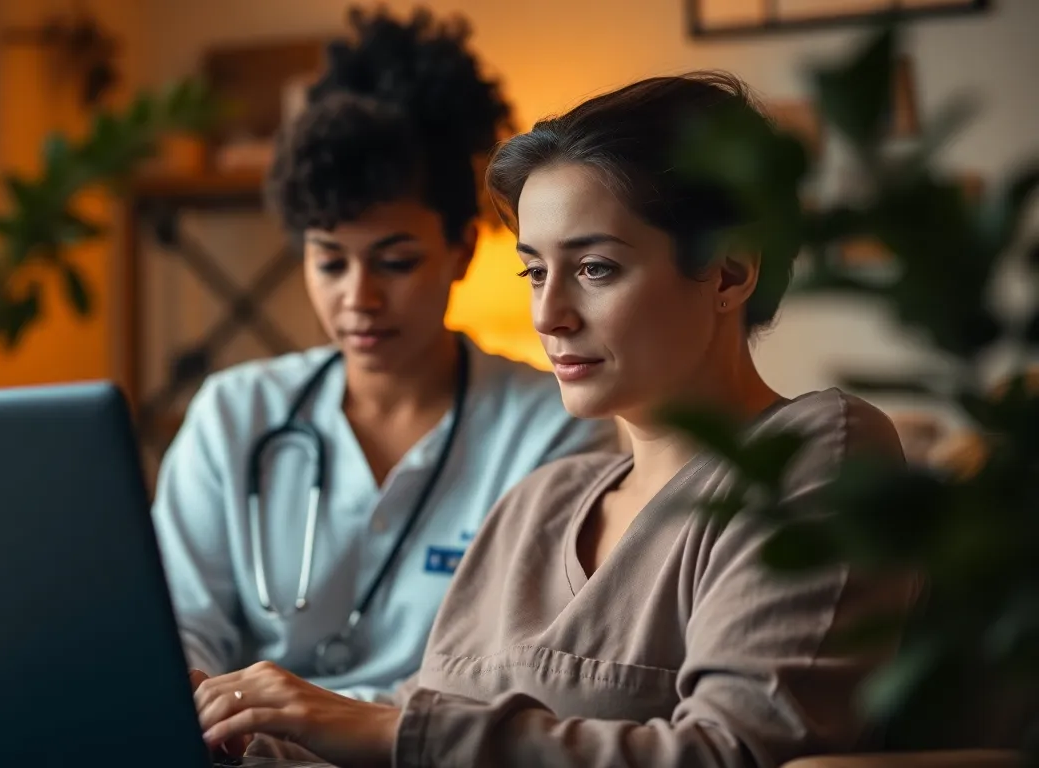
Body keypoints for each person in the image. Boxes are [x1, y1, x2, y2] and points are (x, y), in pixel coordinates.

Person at [188, 72, 922, 768]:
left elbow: (730, 753)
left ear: (729, 272)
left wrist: (389, 731)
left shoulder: (818, 450)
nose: (548, 315)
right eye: (535, 271)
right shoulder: (541, 503)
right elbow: (408, 729)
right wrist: (246, 731)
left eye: (595, 268)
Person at [151, 7, 615, 705]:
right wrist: (192, 700)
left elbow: (519, 665)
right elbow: (179, 621)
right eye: (330, 263)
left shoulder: (550, 428)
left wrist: (323, 720)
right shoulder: (232, 413)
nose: (358, 298)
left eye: (394, 262)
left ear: (460, 250)